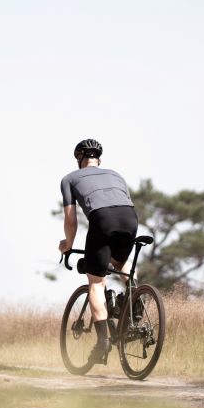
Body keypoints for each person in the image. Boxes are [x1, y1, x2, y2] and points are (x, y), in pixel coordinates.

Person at [58, 138, 138, 365]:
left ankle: (103, 341)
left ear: (80, 158)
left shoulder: (69, 179)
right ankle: (134, 303)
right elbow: (124, 204)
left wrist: (69, 244)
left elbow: (71, 219)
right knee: (123, 263)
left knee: (95, 282)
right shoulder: (117, 175)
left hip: (102, 219)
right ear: (99, 160)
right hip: (130, 218)